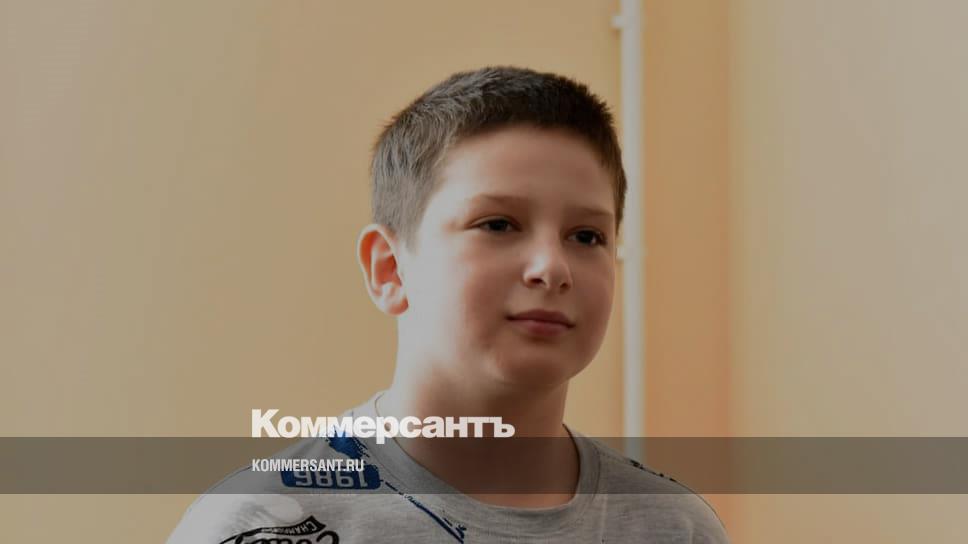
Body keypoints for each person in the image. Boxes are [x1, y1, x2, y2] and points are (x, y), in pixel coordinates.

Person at [167, 66, 729, 543]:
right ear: (390, 269)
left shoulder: (676, 528)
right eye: (498, 224)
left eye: (587, 236)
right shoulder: (259, 522)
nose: (552, 267)